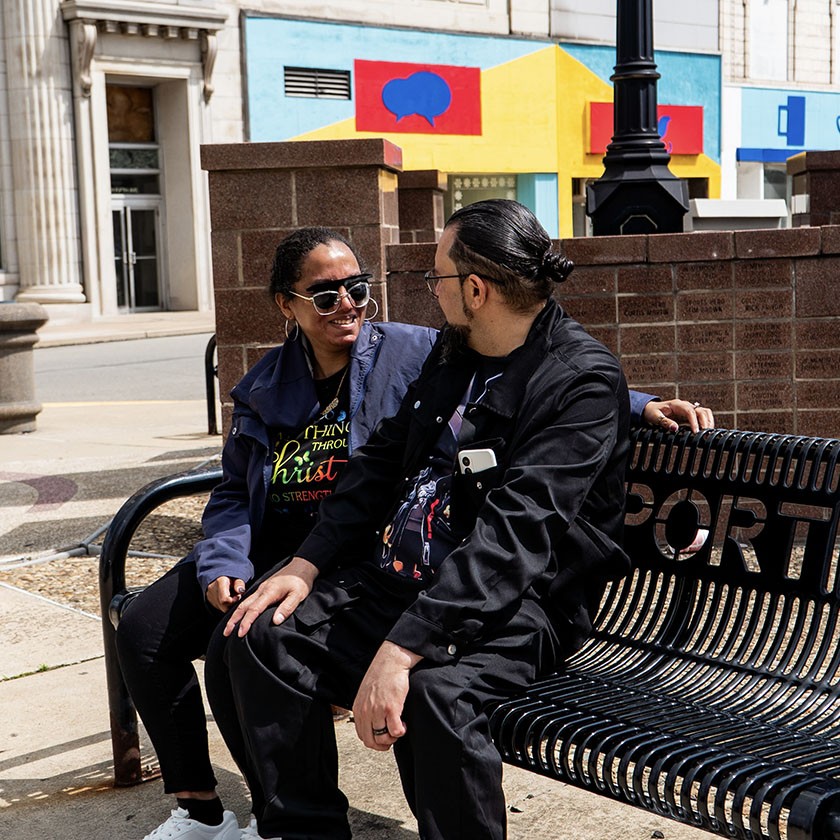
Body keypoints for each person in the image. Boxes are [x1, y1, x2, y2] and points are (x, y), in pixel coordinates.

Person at [116, 222, 711, 840]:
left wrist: (401, 649)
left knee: (434, 697)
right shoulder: (457, 354)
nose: (431, 290)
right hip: (405, 579)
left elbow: (514, 537)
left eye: (438, 277)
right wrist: (305, 564)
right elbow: (376, 467)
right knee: (258, 637)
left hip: (516, 601)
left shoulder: (577, 381)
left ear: (476, 289)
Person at [115, 227, 437, 840]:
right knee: (143, 628)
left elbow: (512, 377)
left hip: (351, 556)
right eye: (324, 294)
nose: (346, 304)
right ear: (286, 305)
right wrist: (223, 560)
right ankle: (202, 810)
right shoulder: (267, 383)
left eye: (357, 289)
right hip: (267, 547)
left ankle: (285, 815)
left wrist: (635, 404)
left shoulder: (412, 352)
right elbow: (234, 489)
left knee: (247, 641)